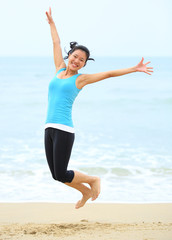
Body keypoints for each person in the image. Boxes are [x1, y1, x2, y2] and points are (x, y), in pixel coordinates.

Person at [44, 7, 153, 209]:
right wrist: (52, 23)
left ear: (84, 65)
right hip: (49, 127)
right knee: (56, 175)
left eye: (82, 60)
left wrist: (134, 69)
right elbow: (56, 43)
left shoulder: (81, 80)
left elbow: (109, 74)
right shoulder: (59, 68)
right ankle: (85, 191)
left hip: (64, 129)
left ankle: (93, 180)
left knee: (61, 173)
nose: (77, 61)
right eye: (75, 56)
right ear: (70, 56)